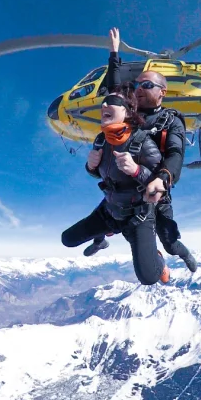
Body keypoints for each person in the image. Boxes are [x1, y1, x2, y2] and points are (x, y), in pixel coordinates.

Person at [83, 28, 198, 273]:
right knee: (111, 214)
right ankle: (101, 240)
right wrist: (113, 54)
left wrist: (163, 178)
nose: (138, 88)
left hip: (156, 188)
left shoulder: (171, 120)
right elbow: (114, 90)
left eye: (146, 84)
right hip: (127, 185)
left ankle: (182, 253)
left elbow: (176, 153)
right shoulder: (130, 114)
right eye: (137, 84)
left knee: (169, 240)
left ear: (162, 92)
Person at [61, 87, 169, 285]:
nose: (103, 104)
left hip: (138, 215)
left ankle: (159, 259)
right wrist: (91, 167)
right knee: (67, 239)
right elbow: (104, 173)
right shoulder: (101, 141)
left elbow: (163, 187)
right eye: (103, 101)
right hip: (110, 211)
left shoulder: (143, 142)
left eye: (111, 101)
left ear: (127, 111)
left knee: (149, 277)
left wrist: (136, 170)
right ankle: (101, 239)